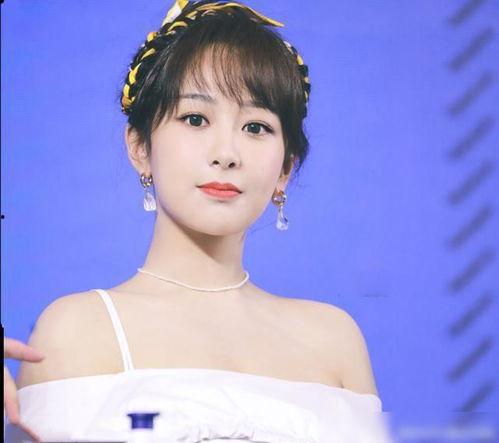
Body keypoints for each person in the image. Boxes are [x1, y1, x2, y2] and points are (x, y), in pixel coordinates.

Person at [6, 0, 388, 441]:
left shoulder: (335, 340)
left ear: (285, 168)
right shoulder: (77, 329)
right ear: (140, 147)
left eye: (256, 127)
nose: (226, 153)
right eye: (195, 118)